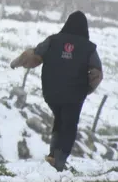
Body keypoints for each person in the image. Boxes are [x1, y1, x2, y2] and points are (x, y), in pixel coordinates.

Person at [10, 10, 103, 171]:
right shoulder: (89, 48)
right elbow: (97, 74)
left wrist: (16, 62)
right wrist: (86, 90)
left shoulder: (53, 41)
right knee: (69, 125)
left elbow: (33, 56)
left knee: (60, 121)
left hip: (51, 93)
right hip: (74, 96)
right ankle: (59, 160)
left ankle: (53, 156)